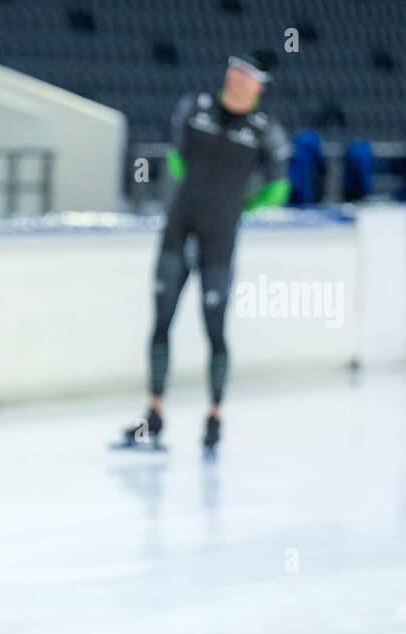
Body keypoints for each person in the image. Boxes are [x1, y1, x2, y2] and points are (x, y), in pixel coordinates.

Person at [115, 50, 290, 456]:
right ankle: (153, 414)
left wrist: (240, 206)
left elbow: (279, 189)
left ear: (260, 85)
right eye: (233, 70)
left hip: (219, 241)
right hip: (178, 231)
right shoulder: (194, 108)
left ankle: (214, 417)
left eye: (247, 75)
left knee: (215, 328)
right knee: (161, 321)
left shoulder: (265, 131)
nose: (236, 80)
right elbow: (177, 159)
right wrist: (197, 197)